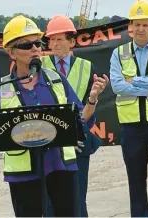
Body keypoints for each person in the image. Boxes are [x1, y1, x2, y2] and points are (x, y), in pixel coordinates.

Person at [0, 15, 109, 217]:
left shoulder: (56, 80)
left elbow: (80, 119)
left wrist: (93, 99)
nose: (35, 48)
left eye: (37, 43)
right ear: (11, 52)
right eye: (27, 44)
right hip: (23, 174)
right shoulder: (1, 89)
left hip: (61, 168)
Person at [41, 15, 103, 217]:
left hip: (78, 142)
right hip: (49, 143)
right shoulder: (38, 66)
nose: (55, 44)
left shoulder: (87, 68)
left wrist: (93, 98)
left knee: (77, 201)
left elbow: (87, 114)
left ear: (71, 41)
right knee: (50, 202)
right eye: (51, 39)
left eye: (60, 39)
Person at [110, 1, 148, 217]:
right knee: (136, 182)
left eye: (145, 24)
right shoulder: (118, 53)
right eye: (136, 24)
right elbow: (117, 85)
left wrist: (136, 82)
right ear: (130, 26)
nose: (140, 29)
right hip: (131, 129)